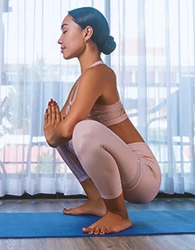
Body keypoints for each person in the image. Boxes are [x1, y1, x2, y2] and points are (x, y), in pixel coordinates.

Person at [43, 6, 161, 235]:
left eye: (65, 31)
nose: (60, 39)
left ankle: (118, 213)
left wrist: (54, 135)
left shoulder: (99, 73)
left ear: (87, 33)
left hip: (143, 175)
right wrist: (54, 135)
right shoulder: (82, 80)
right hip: (126, 172)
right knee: (68, 134)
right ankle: (98, 201)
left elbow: (64, 131)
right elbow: (59, 132)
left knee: (83, 130)